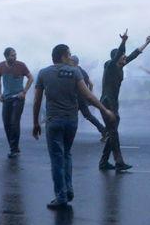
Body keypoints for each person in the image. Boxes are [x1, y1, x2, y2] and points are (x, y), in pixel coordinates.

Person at [32, 44, 116, 209]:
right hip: (71, 121)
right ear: (62, 56)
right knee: (67, 154)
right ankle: (68, 189)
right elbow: (88, 95)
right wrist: (104, 110)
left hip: (53, 121)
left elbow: (37, 101)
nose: (71, 57)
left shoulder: (43, 73)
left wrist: (35, 122)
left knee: (57, 158)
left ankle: (61, 195)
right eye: (69, 54)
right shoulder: (75, 72)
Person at [99, 30, 150, 172]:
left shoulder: (119, 65)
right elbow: (120, 53)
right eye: (122, 57)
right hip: (107, 103)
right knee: (113, 133)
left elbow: (134, 54)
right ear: (116, 58)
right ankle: (119, 162)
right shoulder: (110, 66)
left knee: (112, 132)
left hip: (113, 103)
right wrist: (123, 41)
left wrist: (146, 43)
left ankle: (104, 162)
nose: (125, 58)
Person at [0, 47, 34, 158]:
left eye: (15, 55)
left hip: (18, 98)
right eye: (12, 55)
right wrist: (0, 94)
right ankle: (14, 147)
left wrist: (24, 92)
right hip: (6, 98)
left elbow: (30, 78)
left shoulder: (21, 65)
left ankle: (14, 149)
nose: (15, 57)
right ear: (6, 56)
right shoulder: (0, 66)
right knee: (6, 123)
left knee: (14, 122)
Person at [68, 55, 107, 138]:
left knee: (68, 116)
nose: (68, 61)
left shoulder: (74, 71)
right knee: (88, 116)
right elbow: (91, 84)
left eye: (70, 60)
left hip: (75, 99)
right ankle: (103, 130)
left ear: (74, 62)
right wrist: (87, 94)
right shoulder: (82, 70)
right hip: (81, 98)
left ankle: (66, 135)